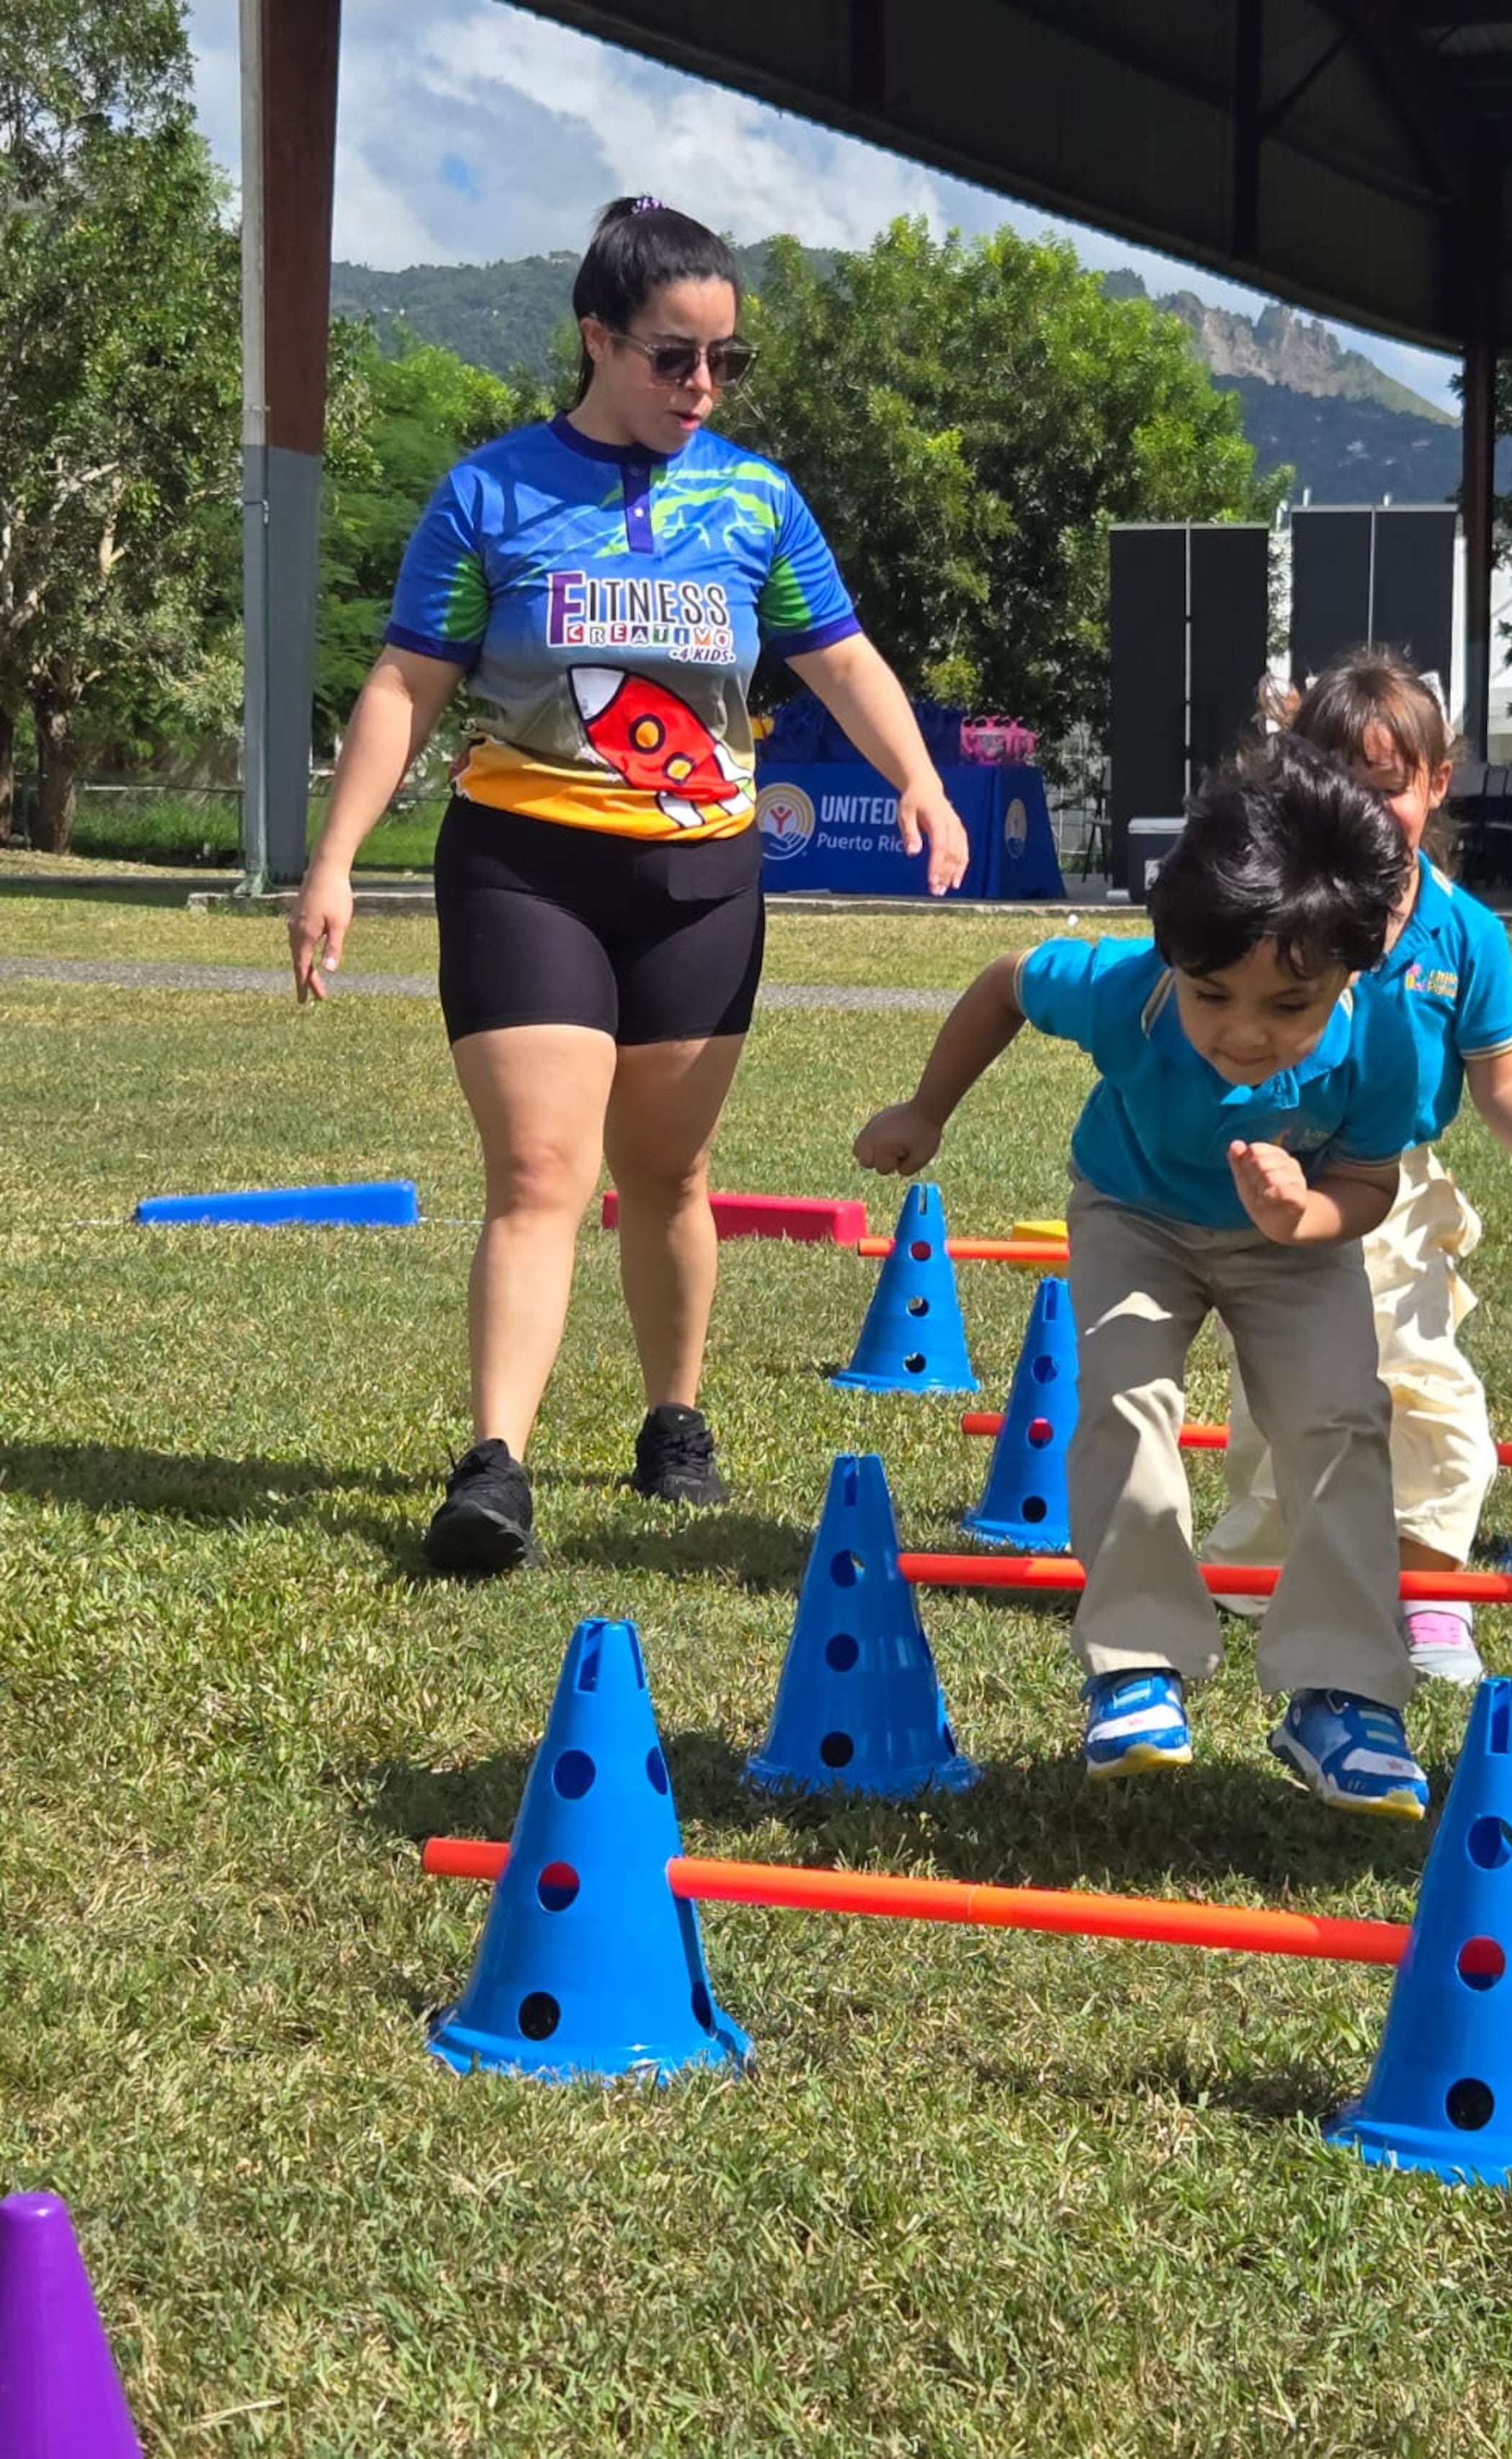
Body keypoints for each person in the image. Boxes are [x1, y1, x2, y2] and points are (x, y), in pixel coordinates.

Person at [288, 197, 968, 1574]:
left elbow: (840, 656)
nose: (701, 388)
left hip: (702, 877)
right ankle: (496, 1466)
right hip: (525, 865)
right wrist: (336, 856)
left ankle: (675, 1422)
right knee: (540, 1169)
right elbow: (408, 681)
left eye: (724, 362)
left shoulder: (758, 502)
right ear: (597, 338)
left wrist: (920, 775)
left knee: (668, 1168)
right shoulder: (488, 494)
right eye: (672, 357)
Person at [854, 738, 1433, 1818]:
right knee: (1123, 1393)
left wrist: (1302, 1212)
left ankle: (1342, 1693)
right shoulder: (1126, 993)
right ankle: (1136, 1663)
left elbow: (1367, 1181)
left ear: (1351, 971)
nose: (1246, 1033)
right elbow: (1005, 984)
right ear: (1171, 954)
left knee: (1339, 1420)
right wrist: (924, 1110)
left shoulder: (1385, 1038)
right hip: (1134, 1215)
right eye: (1213, 995)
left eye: (1289, 1007)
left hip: (1294, 1243)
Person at [1202, 651, 1512, 1685]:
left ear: (1436, 784)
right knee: (1285, 1403)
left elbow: (1498, 1081)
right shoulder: (1282, 905)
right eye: (1348, 790)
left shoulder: (1466, 934)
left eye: (1393, 791)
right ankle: (1259, 1575)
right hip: (1284, 1175)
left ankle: (1427, 1595)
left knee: (1429, 1394)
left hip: (1400, 1193)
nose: (1374, 814)